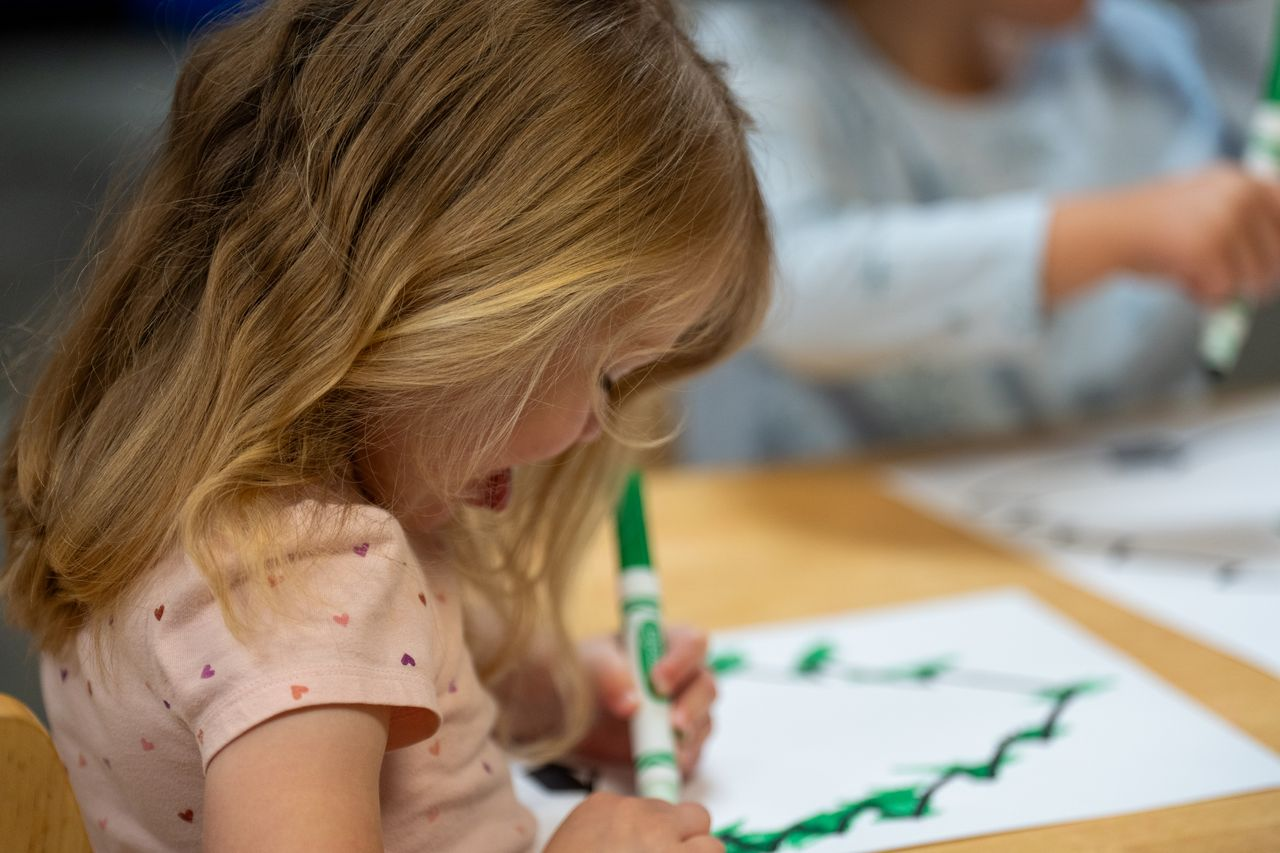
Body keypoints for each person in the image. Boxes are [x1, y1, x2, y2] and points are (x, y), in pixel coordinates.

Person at [0, 1, 770, 850]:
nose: (600, 426)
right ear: (454, 309)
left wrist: (553, 699)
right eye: (607, 371)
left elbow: (360, 684)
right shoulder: (313, 578)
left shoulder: (220, 508)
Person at [680, 0, 1280, 464]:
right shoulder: (747, 65)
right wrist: (1114, 232)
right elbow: (790, 291)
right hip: (828, 548)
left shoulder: (1136, 56)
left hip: (1098, 524)